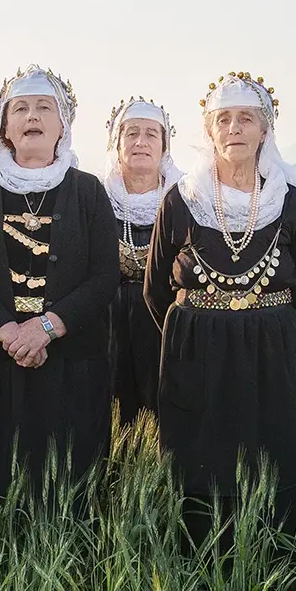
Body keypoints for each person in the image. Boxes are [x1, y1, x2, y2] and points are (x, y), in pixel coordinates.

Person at [144, 71, 296, 539]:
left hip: (270, 353)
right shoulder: (182, 200)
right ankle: (197, 560)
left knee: (270, 457)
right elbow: (155, 289)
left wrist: (273, 332)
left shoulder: (289, 201)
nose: (234, 128)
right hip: (197, 354)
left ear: (265, 130)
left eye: (246, 118)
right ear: (209, 131)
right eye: (224, 119)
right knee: (199, 459)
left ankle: (273, 557)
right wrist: (192, 335)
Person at [0, 65, 119, 500]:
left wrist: (45, 328)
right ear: (5, 127)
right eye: (20, 108)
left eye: (44, 107)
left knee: (68, 491)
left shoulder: (88, 191)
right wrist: (10, 333)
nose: (32, 116)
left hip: (71, 364)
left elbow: (104, 276)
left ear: (63, 125)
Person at [102, 97, 182, 423]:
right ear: (116, 142)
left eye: (151, 134)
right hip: (107, 332)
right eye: (131, 133)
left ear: (164, 145)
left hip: (164, 326)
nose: (140, 142)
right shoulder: (97, 197)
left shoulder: (184, 199)